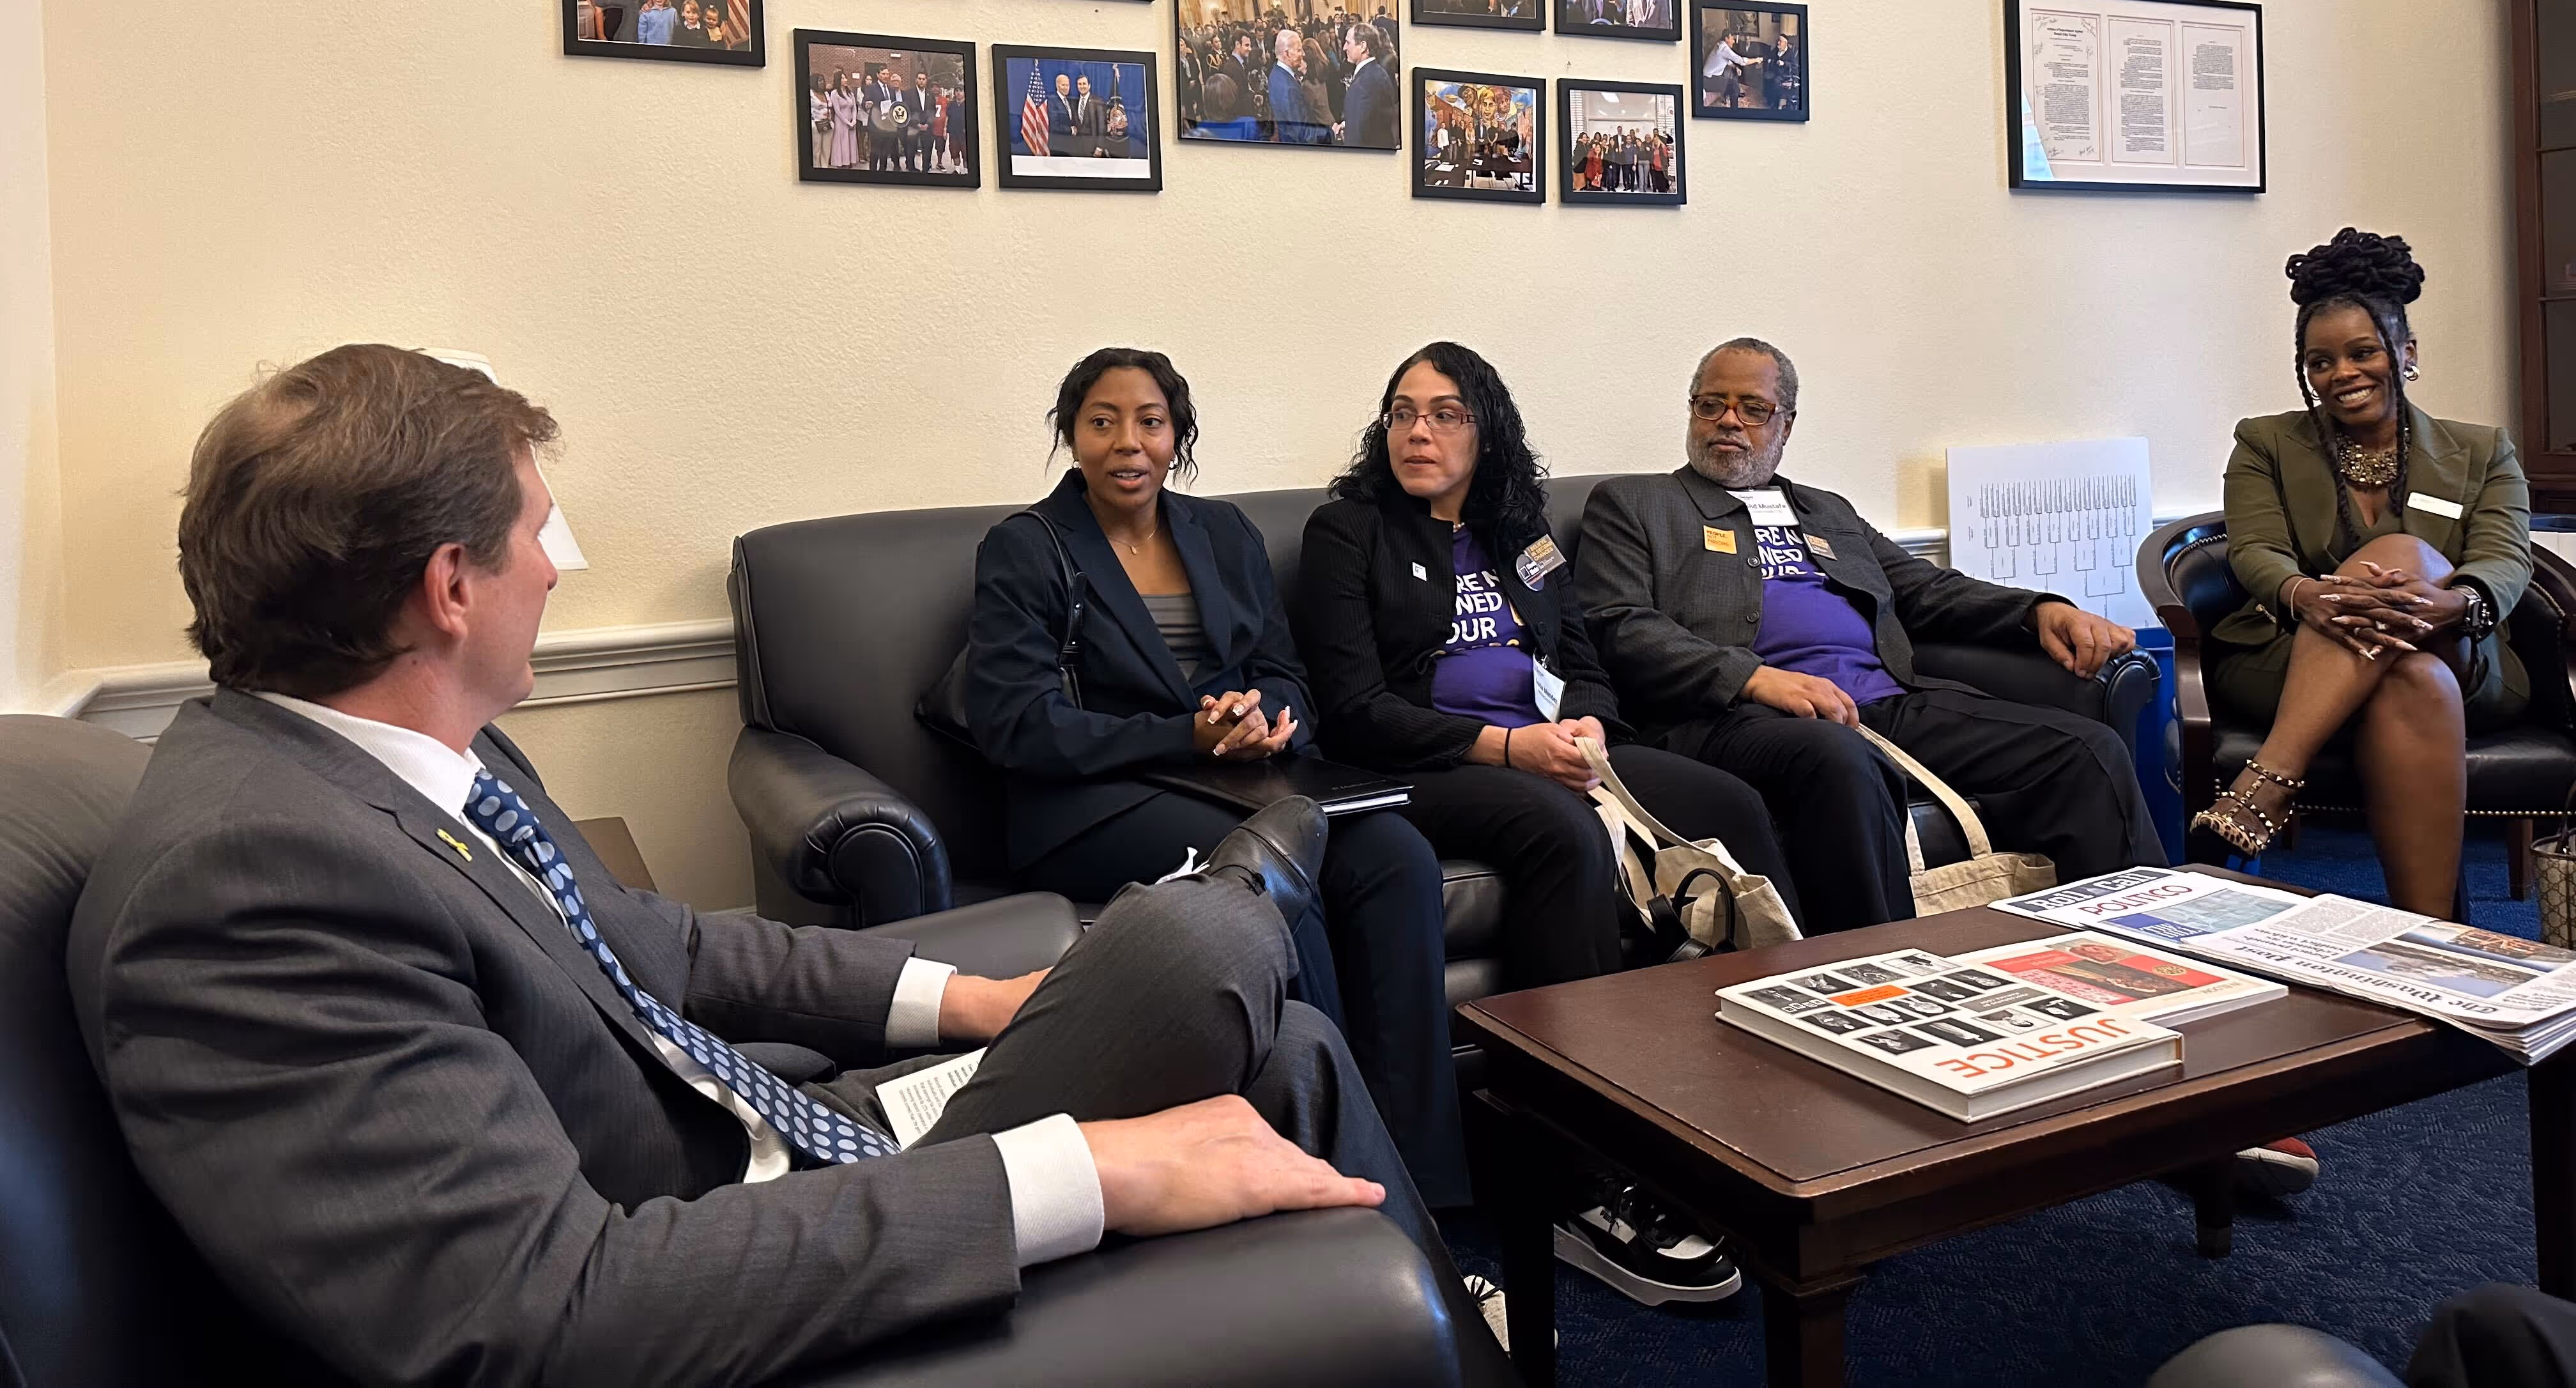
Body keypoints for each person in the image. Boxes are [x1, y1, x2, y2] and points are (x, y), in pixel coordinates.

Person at [67, 344, 1496, 1386]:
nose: (557, 570)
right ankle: (1271, 880)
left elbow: (671, 950)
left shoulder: (428, 760)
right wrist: (1092, 1173)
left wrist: (974, 1000)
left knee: (1272, 1028)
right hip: (720, 1238)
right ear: (450, 587)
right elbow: (545, 1313)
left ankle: (1449, 1334)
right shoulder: (253, 882)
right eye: (534, 528)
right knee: (1209, 948)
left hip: (779, 1135)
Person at [1298, 343, 1804, 1307]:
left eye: (1446, 414)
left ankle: (1762, 1110)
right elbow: (1356, 706)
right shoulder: (1348, 531)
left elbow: (1587, 664)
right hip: (1426, 765)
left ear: (1487, 433)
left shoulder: (1521, 535)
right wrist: (1506, 748)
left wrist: (1583, 725)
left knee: (1729, 804)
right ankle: (1581, 1175)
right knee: (1560, 834)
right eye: (1403, 412)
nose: (1418, 431)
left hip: (1554, 747)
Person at [966, 350, 1466, 1210]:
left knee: (1396, 857)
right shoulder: (1027, 548)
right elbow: (1017, 722)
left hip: (1241, 783)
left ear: (1178, 436)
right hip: (1091, 803)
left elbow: (1285, 673)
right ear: (1071, 436)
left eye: (1150, 422)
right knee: (1273, 881)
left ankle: (1427, 1184)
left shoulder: (1223, 533)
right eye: (1102, 421)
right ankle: (1330, 1174)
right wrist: (1187, 736)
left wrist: (1269, 719)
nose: (1128, 442)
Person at [1577, 337, 2165, 936]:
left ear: (1786, 425)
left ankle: (2133, 950)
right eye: (1712, 405)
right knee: (1840, 759)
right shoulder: (1636, 504)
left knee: (2085, 750)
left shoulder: (1825, 511)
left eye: (1753, 408)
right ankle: (1878, 972)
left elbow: (1926, 590)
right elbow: (1619, 623)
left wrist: (2039, 611)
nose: (1730, 421)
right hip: (1737, 718)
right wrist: (1753, 678)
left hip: (1886, 704)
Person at [2192, 229, 2531, 918]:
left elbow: (2504, 557)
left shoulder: (2480, 450)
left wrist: (2455, 605)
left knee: (2409, 573)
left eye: (2362, 352)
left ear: (2405, 354)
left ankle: (2270, 779)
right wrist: (2308, 594)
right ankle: (2432, 937)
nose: (2341, 373)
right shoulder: (2266, 442)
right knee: (2413, 673)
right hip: (2290, 654)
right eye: (2320, 361)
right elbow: (2256, 551)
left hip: (2458, 643)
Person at [1341, 22, 1398, 150]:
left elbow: (1357, 139)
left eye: (1348, 43)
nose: (1344, 48)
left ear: (1362, 46)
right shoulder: (1379, 72)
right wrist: (1348, 123)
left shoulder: (1363, 84)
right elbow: (1373, 118)